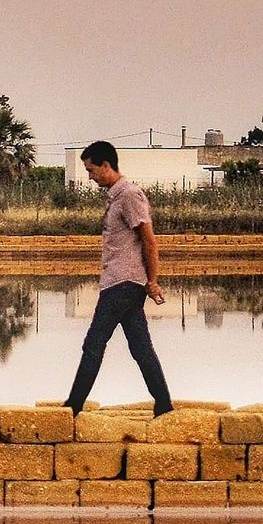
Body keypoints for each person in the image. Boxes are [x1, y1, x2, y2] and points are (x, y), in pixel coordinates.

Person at [63, 141, 174, 417]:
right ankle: (164, 405)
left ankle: (73, 407)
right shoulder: (117, 196)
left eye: (91, 170)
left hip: (122, 284)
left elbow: (149, 242)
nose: (89, 176)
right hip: (121, 281)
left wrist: (153, 281)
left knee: (94, 343)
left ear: (106, 165)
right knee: (140, 347)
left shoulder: (129, 196)